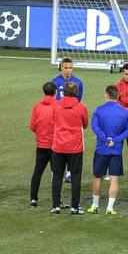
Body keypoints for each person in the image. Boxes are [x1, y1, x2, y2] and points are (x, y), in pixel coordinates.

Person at [91, 85, 128, 216]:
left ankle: (95, 205)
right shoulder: (125, 112)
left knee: (98, 177)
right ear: (118, 96)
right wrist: (115, 140)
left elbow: (95, 127)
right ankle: (110, 208)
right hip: (116, 150)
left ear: (106, 95)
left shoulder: (99, 110)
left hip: (101, 149)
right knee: (114, 178)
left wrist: (105, 139)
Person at [50, 81, 89, 215]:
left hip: (59, 145)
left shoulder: (56, 106)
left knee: (57, 176)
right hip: (75, 147)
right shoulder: (81, 108)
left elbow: (53, 120)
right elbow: (85, 124)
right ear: (77, 93)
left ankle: (55, 205)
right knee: (76, 177)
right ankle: (74, 207)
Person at [51, 58, 83, 184]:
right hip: (59, 117)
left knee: (73, 144)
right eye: (66, 67)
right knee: (58, 144)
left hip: (72, 117)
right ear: (61, 67)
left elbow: (78, 100)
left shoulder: (78, 82)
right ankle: (55, 171)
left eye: (70, 68)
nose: (68, 70)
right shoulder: (55, 81)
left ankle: (69, 172)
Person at [28, 81, 58, 207]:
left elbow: (33, 126)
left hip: (41, 144)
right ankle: (56, 201)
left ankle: (33, 198)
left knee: (37, 172)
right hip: (55, 145)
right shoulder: (57, 106)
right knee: (56, 173)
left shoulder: (37, 106)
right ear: (55, 93)